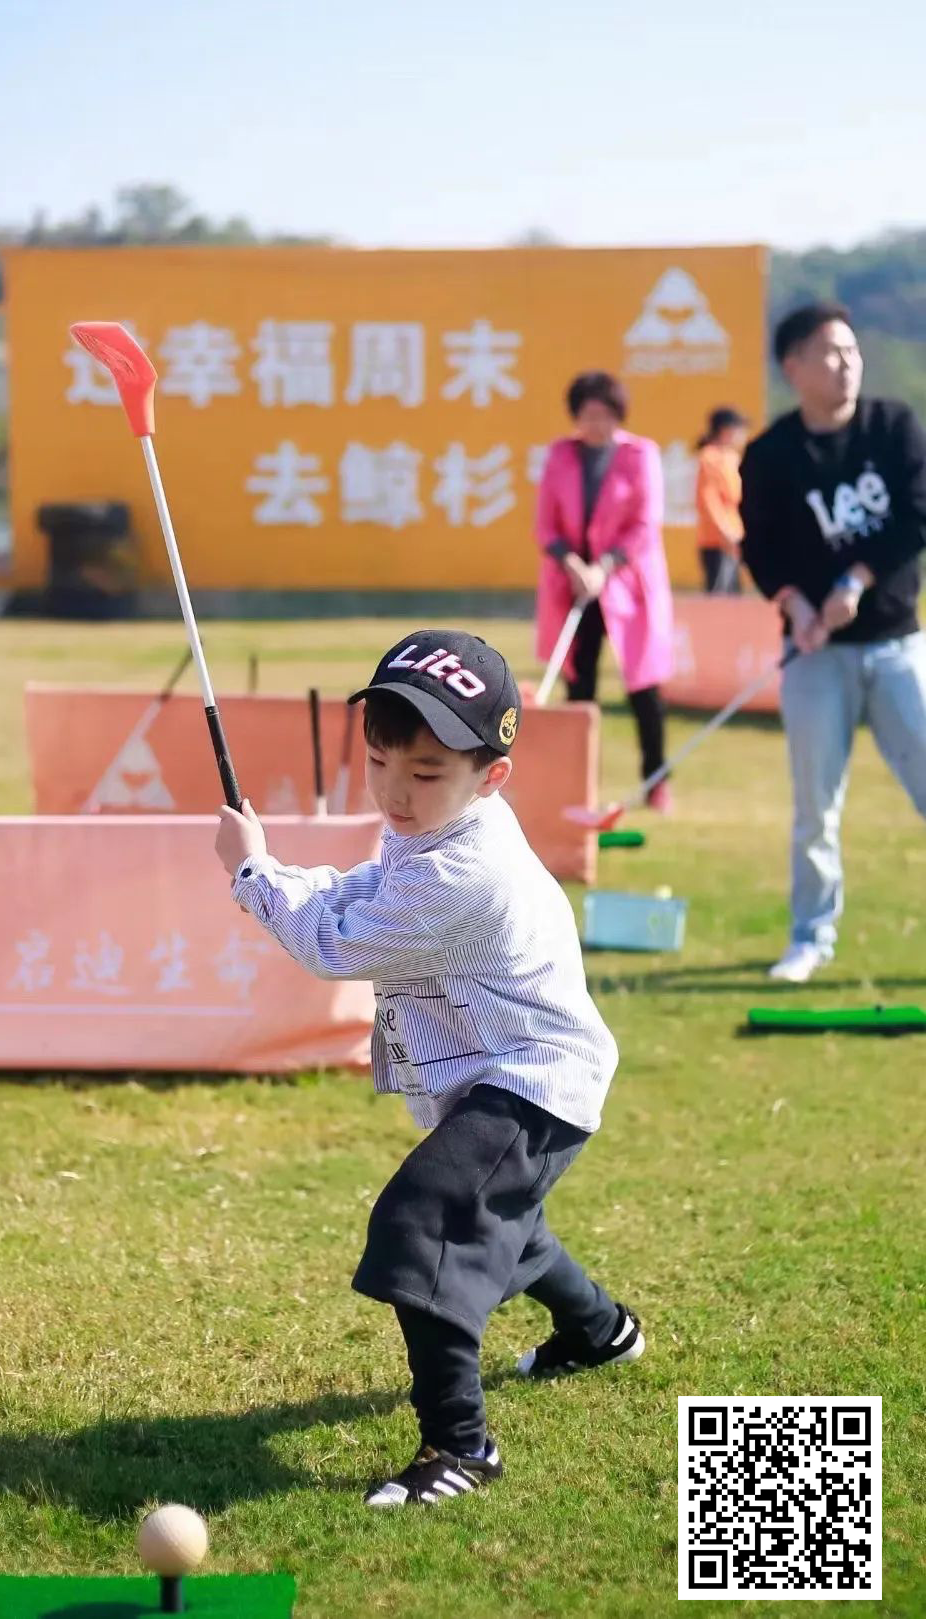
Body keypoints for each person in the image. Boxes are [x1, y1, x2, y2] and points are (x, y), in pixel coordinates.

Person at [214, 630, 643, 1508]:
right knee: (507, 1229)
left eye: (425, 772)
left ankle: (461, 1445)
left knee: (425, 1222)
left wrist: (252, 872)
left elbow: (335, 942)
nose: (395, 792)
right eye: (379, 762)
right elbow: (361, 894)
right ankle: (600, 1331)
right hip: (506, 1072)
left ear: (492, 774)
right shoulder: (445, 826)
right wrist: (275, 864)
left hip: (535, 1080)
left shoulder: (466, 869)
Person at [740, 302, 926, 983]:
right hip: (817, 656)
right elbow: (761, 547)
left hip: (898, 645)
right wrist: (794, 602)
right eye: (828, 353)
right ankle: (810, 936)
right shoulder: (770, 455)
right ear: (793, 367)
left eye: (851, 351)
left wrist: (856, 579)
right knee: (816, 805)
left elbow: (915, 516)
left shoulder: (894, 427)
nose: (845, 364)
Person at [535, 370, 675, 811]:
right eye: (588, 415)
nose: (597, 424)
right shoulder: (560, 455)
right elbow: (545, 524)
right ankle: (579, 783)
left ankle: (656, 779)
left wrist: (606, 567)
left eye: (605, 415)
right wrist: (573, 564)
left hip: (627, 587)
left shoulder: (640, 455)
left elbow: (645, 524)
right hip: (574, 586)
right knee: (579, 684)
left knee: (643, 686)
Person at [695, 406, 750, 592]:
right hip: (717, 541)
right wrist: (725, 531)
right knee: (719, 598)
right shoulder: (709, 458)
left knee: (734, 598)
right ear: (725, 430)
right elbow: (708, 499)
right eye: (739, 428)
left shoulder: (733, 458)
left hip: (735, 539)